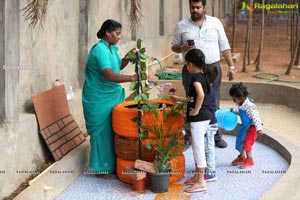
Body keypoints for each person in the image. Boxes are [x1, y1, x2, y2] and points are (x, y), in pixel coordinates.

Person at [171, 0, 236, 148]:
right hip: (191, 70)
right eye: (192, 7)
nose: (195, 10)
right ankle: (189, 136)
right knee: (191, 100)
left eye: (198, 7)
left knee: (213, 100)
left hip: (212, 69)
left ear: (204, 8)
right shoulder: (182, 25)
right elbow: (174, 47)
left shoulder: (215, 23)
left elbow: (224, 46)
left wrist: (231, 66)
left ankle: (216, 136)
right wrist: (183, 47)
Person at [82, 19, 137, 176]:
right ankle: (101, 168)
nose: (119, 37)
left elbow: (117, 66)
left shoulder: (111, 48)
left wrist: (129, 56)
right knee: (101, 133)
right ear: (107, 32)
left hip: (110, 95)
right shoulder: (99, 50)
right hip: (98, 97)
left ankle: (112, 165)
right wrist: (132, 78)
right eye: (117, 33)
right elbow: (108, 75)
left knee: (112, 130)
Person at [169, 49, 216, 193]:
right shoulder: (204, 76)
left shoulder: (195, 78)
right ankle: (197, 177)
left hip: (199, 117)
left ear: (189, 64)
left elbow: (200, 96)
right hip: (205, 116)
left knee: (198, 148)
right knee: (198, 146)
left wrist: (195, 111)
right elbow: (194, 98)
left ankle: (201, 182)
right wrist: (179, 99)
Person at [229, 83, 263, 169]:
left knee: (247, 143)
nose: (233, 100)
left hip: (252, 127)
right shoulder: (240, 104)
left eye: (234, 99)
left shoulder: (250, 106)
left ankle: (250, 159)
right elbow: (242, 114)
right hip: (245, 127)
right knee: (240, 141)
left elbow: (256, 118)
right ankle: (241, 157)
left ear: (242, 98)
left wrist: (259, 129)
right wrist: (234, 111)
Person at [204, 66, 219, 182]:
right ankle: (209, 167)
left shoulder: (208, 92)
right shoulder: (209, 90)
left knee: (209, 148)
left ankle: (211, 173)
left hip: (210, 124)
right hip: (210, 124)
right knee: (208, 147)